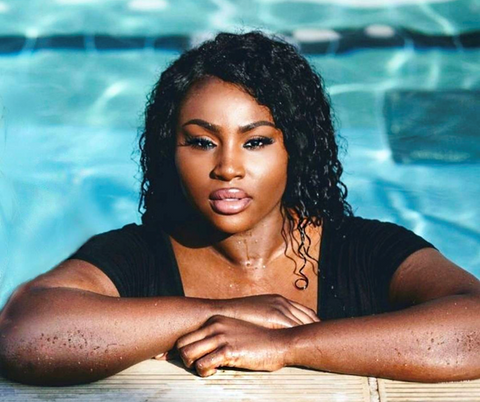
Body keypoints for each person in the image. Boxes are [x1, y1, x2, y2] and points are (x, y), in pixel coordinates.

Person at [0, 31, 479, 386]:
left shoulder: (365, 250)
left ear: (296, 149)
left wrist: (285, 346)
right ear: (172, 149)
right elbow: (24, 330)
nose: (227, 167)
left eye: (255, 141)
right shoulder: (140, 254)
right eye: (202, 141)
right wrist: (218, 314)